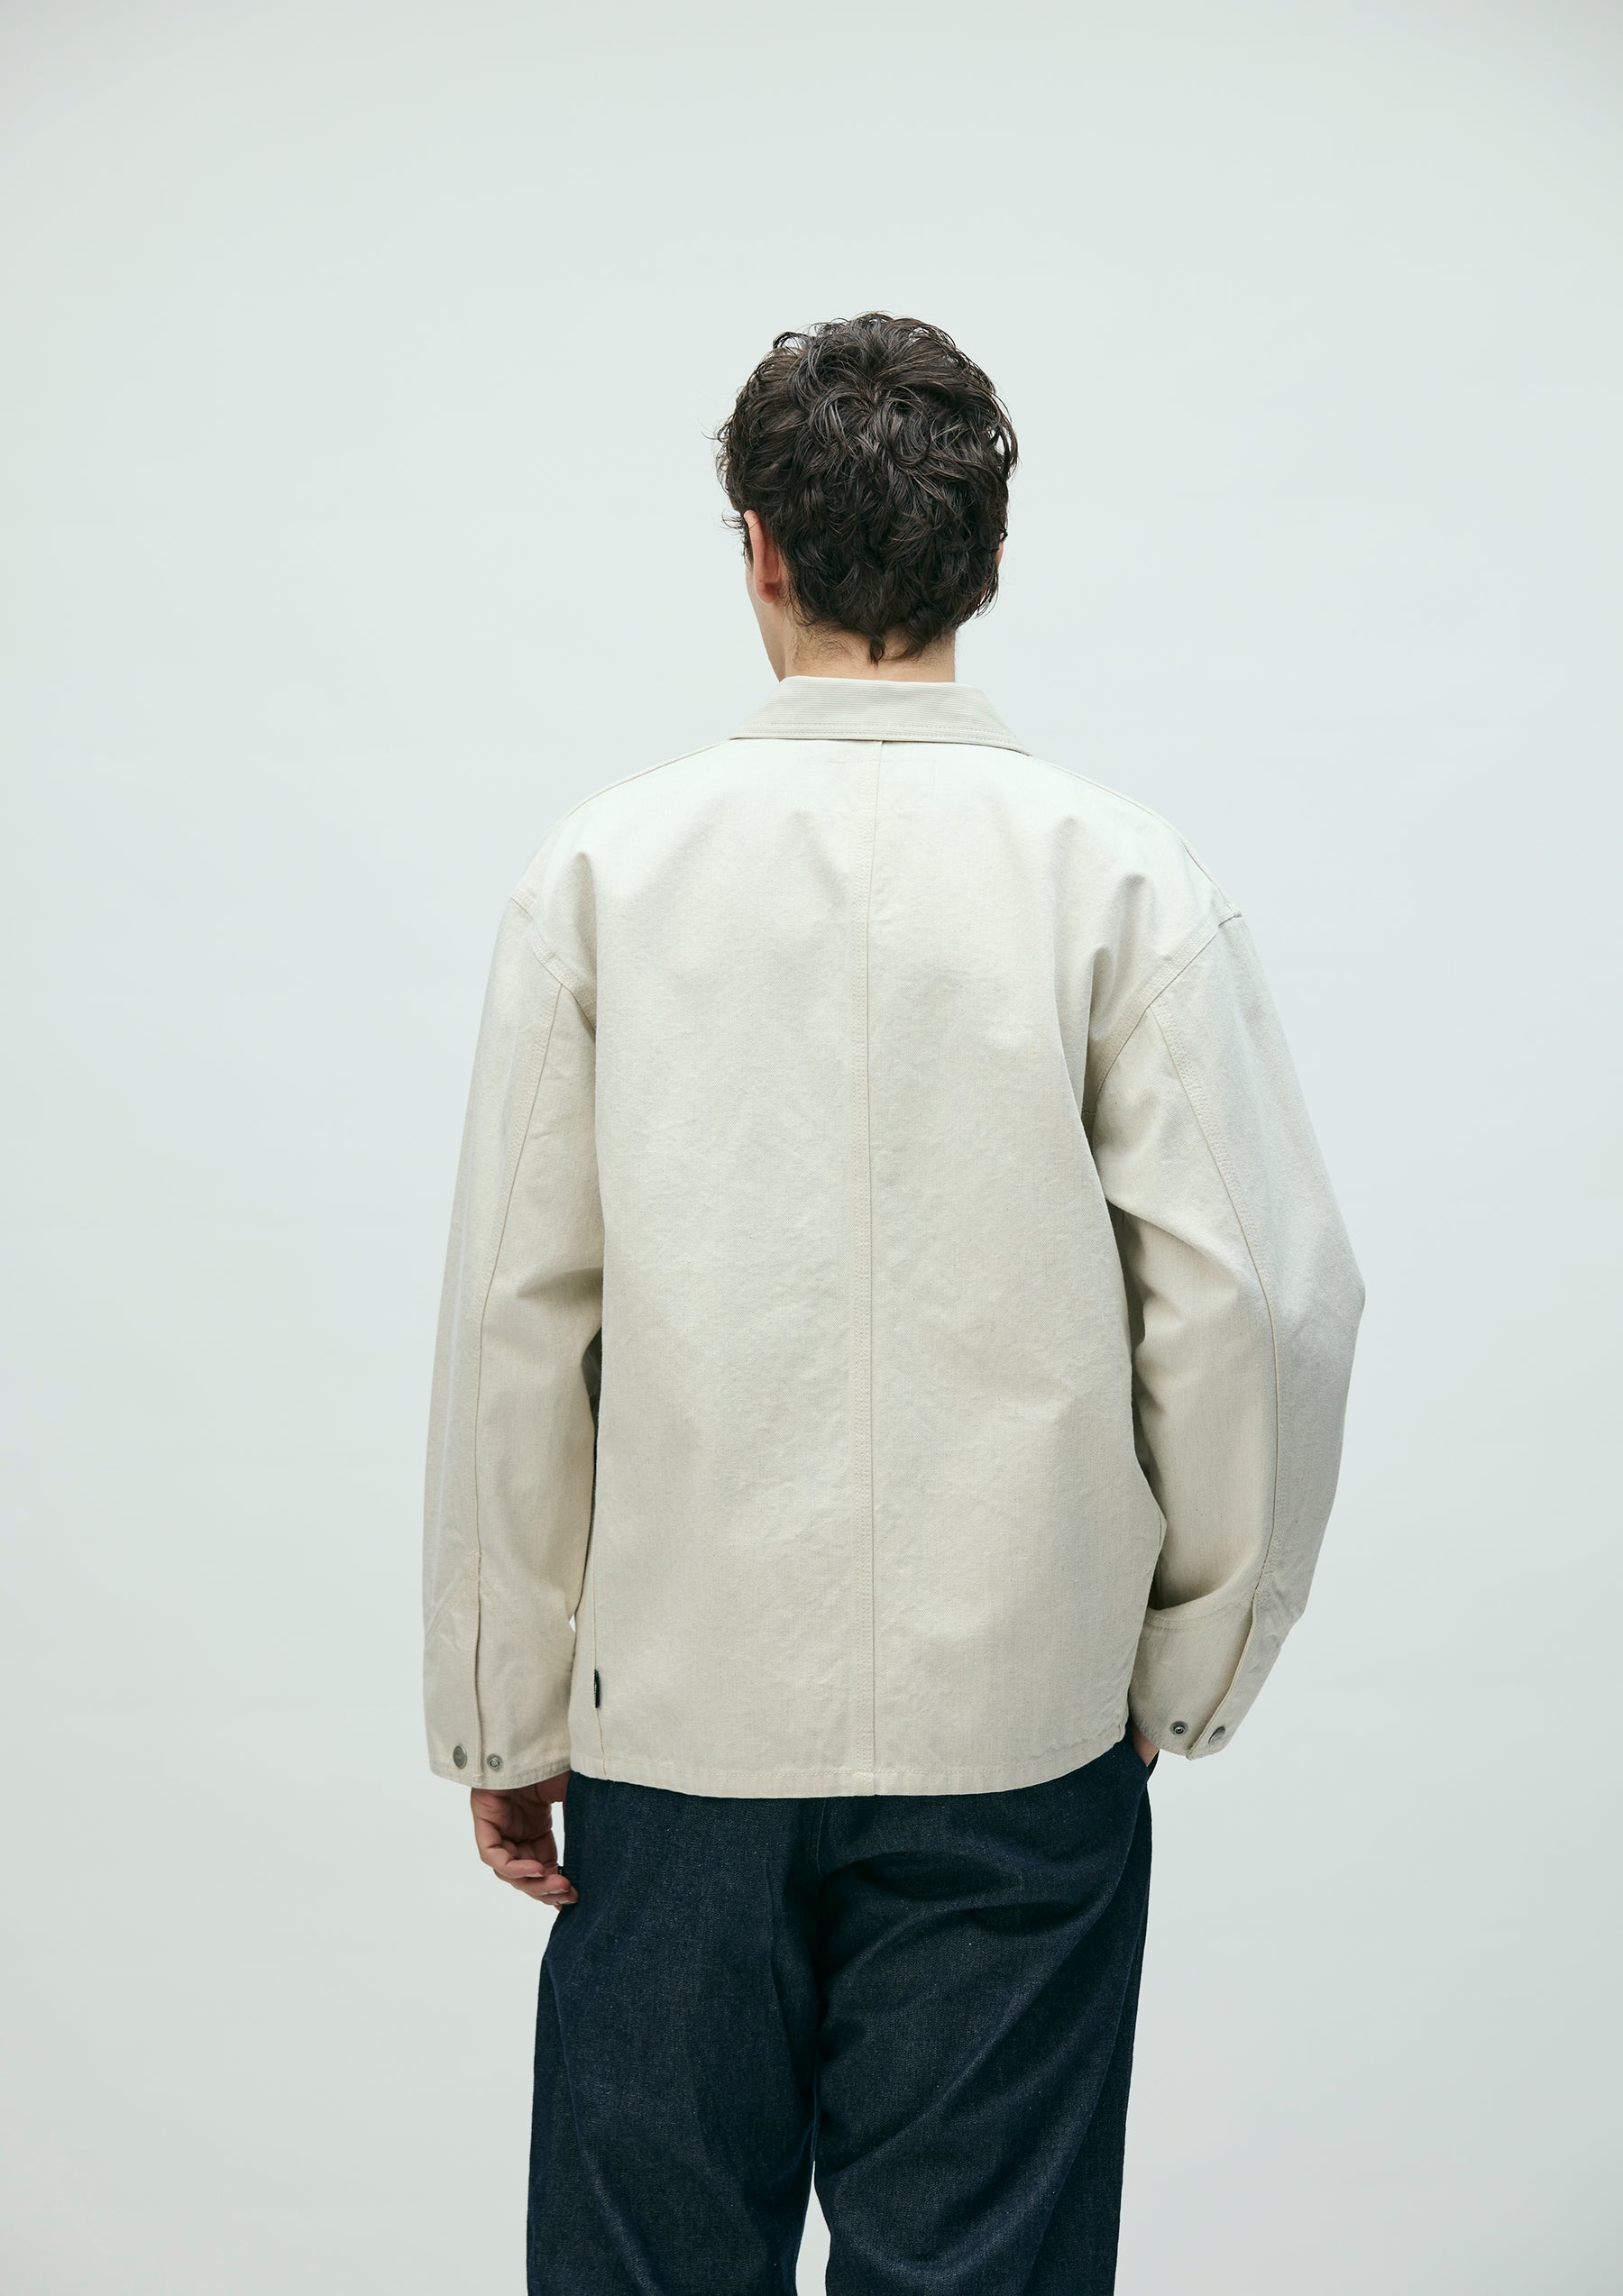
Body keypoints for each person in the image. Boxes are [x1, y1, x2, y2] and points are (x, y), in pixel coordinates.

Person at [421, 311, 1364, 2295]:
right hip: (1021, 1735)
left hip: (676, 1733)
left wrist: (504, 1703)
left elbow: (520, 1319)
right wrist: (1179, 1668)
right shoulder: (1121, 880)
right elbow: (1261, 1304)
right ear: (987, 561)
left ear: (758, 548)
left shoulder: (602, 874)